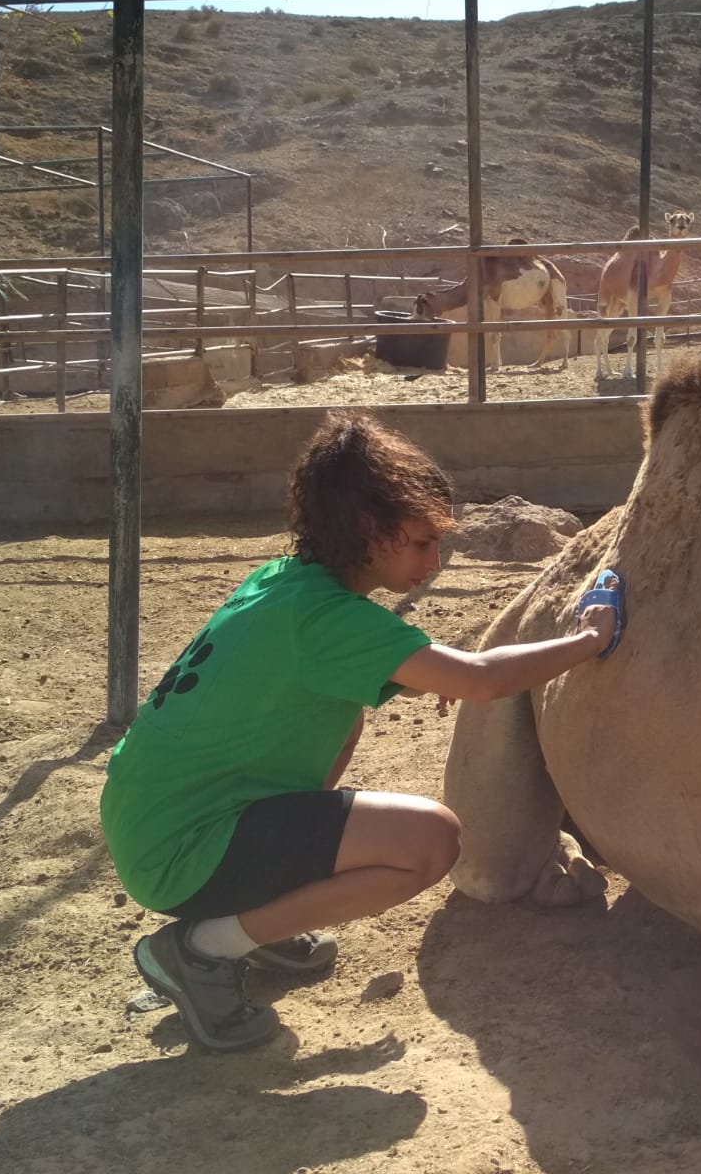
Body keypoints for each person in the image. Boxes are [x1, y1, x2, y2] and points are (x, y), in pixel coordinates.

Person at [99, 411, 619, 1052]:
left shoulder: (282, 583)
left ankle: (256, 917)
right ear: (368, 529)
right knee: (430, 841)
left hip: (151, 816)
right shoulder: (332, 621)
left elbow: (359, 678)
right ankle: (204, 947)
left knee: (348, 714)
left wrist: (437, 674)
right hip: (182, 850)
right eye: (421, 542)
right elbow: (481, 679)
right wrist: (588, 638)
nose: (434, 561)